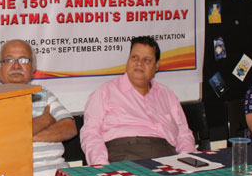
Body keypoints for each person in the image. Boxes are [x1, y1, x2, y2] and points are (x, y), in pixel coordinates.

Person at [0, 39, 77, 176]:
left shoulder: (44, 94)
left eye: (23, 60)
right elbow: (0, 139)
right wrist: (43, 121)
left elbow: (69, 128)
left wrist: (25, 134)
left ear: (32, 69)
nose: (16, 65)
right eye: (9, 60)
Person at [80, 36, 195, 165]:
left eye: (146, 60)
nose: (139, 63)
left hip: (167, 157)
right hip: (124, 156)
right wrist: (102, 167)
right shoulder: (106, 92)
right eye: (134, 57)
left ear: (157, 66)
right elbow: (91, 133)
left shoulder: (167, 95)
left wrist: (189, 162)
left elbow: (184, 134)